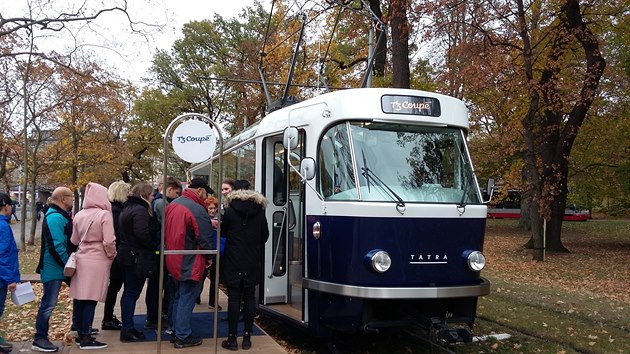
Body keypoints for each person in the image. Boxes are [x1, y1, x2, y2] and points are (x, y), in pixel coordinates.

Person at [164, 178, 215, 348]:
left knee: (178, 296)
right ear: (200, 190)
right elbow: (205, 236)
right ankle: (183, 335)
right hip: (189, 259)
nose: (206, 196)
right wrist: (209, 258)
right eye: (206, 192)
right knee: (187, 296)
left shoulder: (173, 205)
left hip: (173, 257)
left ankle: (175, 330)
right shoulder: (196, 209)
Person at [220, 180, 269, 351]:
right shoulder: (259, 211)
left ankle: (232, 339)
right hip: (252, 259)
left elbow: (224, 232)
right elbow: (265, 236)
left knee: (233, 298)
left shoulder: (230, 211)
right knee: (249, 298)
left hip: (233, 258)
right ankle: (247, 337)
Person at [70, 182, 117, 349]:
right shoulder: (104, 215)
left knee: (80, 297)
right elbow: (109, 240)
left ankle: (78, 330)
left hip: (82, 257)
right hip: (98, 259)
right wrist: (111, 255)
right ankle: (86, 337)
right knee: (91, 298)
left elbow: (74, 240)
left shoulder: (79, 214)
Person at [33, 187, 75, 352]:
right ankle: (40, 338)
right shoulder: (55, 217)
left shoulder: (60, 215)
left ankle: (79, 326)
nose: (73, 199)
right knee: (48, 304)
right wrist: (69, 265)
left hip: (61, 267)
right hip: (53, 268)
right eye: (71, 197)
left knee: (79, 294)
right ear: (63, 199)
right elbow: (56, 245)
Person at [117, 182, 158, 342]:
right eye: (151, 194)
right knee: (132, 293)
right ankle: (128, 328)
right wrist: (154, 246)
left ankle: (127, 326)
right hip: (136, 257)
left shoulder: (127, 208)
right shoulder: (140, 210)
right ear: (144, 195)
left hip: (127, 255)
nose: (153, 197)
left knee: (128, 292)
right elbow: (142, 233)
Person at [146, 176, 182, 331]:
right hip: (161, 248)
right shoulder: (162, 203)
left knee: (156, 284)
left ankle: (155, 315)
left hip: (159, 247)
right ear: (169, 190)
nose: (177, 196)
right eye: (177, 193)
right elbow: (168, 225)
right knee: (158, 284)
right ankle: (154, 317)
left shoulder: (157, 202)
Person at [101, 181, 130, 330]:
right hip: (117, 254)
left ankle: (108, 316)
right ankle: (107, 318)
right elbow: (117, 234)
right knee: (115, 286)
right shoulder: (117, 211)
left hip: (114, 254)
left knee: (114, 286)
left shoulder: (111, 209)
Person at [0, 193, 20, 352]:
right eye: (11, 205)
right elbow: (3, 255)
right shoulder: (3, 226)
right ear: (5, 206)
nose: (12, 207)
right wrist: (10, 279)